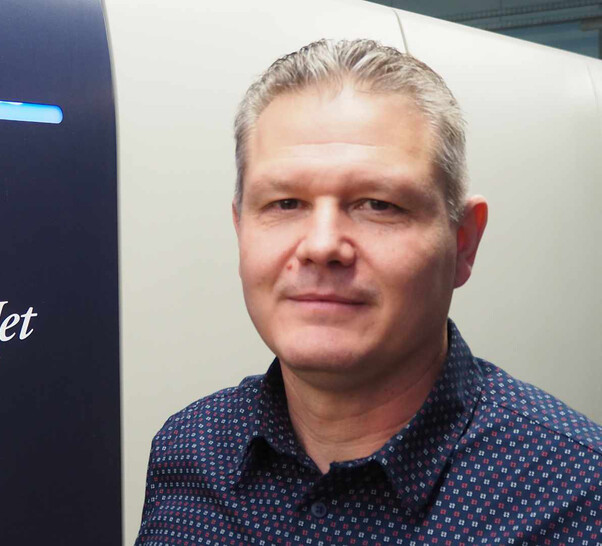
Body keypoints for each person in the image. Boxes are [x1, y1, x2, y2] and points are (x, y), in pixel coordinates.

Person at [135, 39, 602, 545]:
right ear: (240, 229)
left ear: (463, 242)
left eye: (378, 204)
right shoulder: (189, 452)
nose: (322, 246)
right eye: (285, 203)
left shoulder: (578, 495)